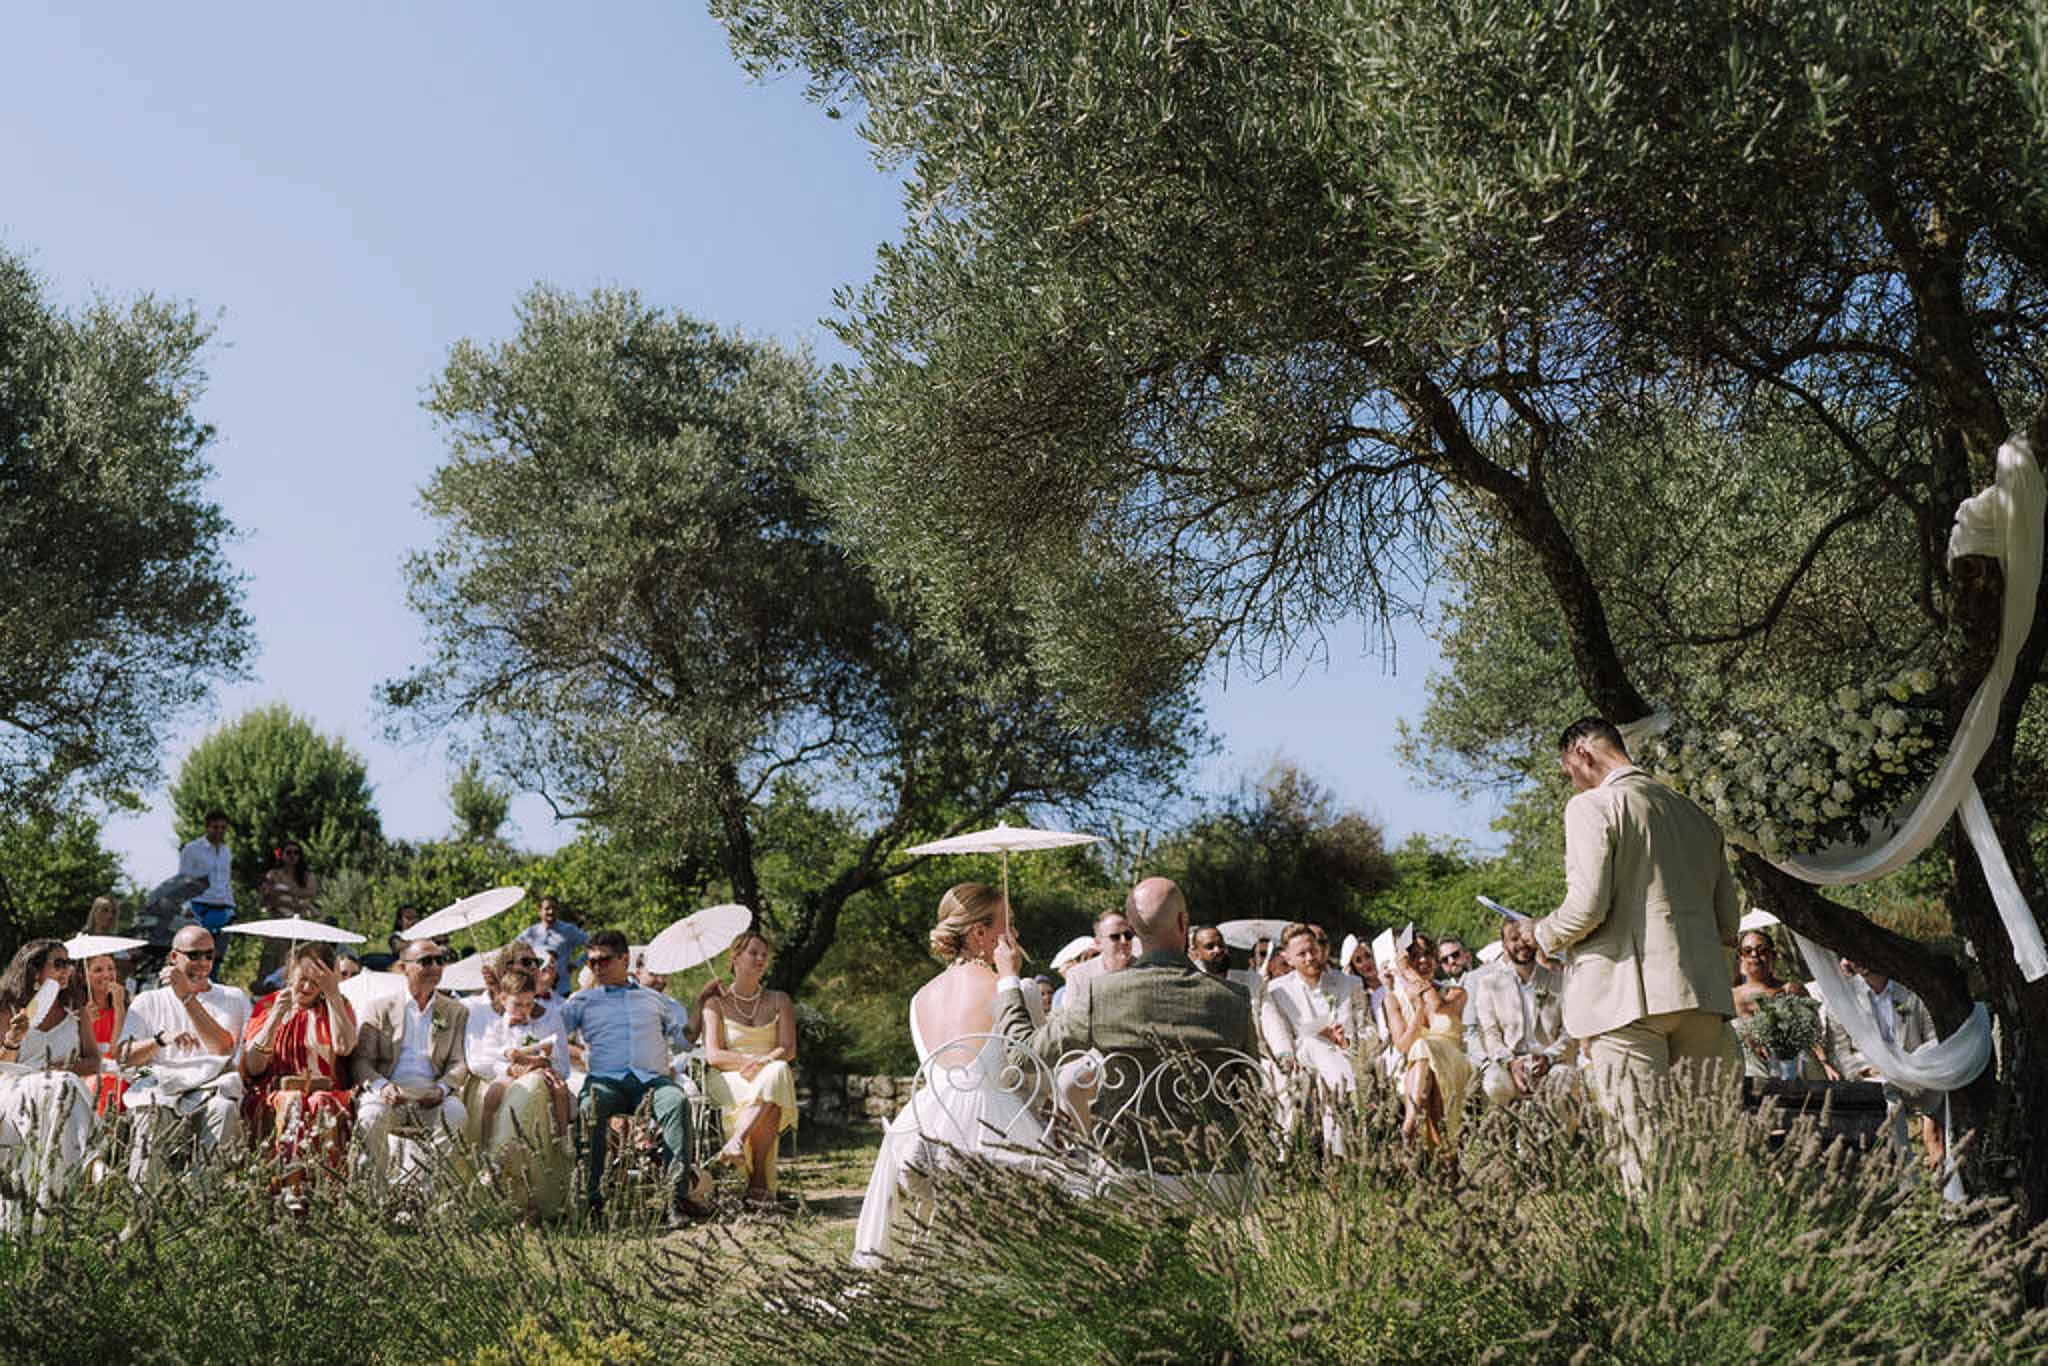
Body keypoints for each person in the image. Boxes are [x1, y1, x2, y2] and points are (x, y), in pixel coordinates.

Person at [1533, 717, 1740, 1189]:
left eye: (1568, 769)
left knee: (1642, 1147)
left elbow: (1587, 906)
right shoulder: (1699, 819)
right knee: (1702, 1149)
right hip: (1701, 997)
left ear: (1582, 754)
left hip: (1625, 1000)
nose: (1572, 780)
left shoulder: (1592, 806)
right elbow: (1729, 924)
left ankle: (1661, 1258)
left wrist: (1541, 934)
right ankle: (1714, 1252)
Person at [854, 882, 1048, 1268]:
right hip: (994, 1128)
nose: (1016, 935)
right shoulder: (1013, 989)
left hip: (925, 1128)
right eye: (1008, 926)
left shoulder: (919, 997)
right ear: (980, 933)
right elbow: (1036, 1067)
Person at [993, 877, 1255, 1162]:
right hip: (1221, 1168)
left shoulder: (1103, 994)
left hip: (1129, 1168)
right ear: (1183, 924)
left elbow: (1023, 1054)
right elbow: (1252, 1089)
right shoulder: (1234, 999)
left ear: (1133, 928)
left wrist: (1008, 977)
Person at [559, 929, 703, 1225]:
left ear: (624, 959)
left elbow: (683, 1042)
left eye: (604, 960)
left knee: (676, 1102)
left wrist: (702, 1003)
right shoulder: (581, 1001)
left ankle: (674, 1199)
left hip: (651, 1081)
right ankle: (593, 1203)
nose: (596, 967)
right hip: (606, 1081)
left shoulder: (655, 1000)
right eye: (591, 962)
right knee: (590, 1108)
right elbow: (551, 1028)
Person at [118, 926, 250, 1189]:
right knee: (150, 1104)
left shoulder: (233, 998)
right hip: (155, 1077)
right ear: (173, 958)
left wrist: (188, 998)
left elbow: (223, 1048)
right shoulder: (148, 1001)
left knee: (223, 1109)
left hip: (210, 1085)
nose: (202, 963)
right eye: (194, 955)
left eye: (209, 956)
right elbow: (123, 1057)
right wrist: (159, 1040)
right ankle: (142, 1203)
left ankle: (202, 1201)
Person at [350, 938, 473, 1199]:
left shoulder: (455, 1011)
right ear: (404, 967)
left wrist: (441, 1089)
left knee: (456, 1114)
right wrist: (382, 1087)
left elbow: (459, 1062)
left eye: (439, 960)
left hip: (431, 1094)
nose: (435, 966)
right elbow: (361, 1061)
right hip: (389, 1090)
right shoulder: (379, 1008)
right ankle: (374, 1198)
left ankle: (429, 1198)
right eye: (426, 961)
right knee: (369, 1117)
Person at [240, 942, 359, 1195]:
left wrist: (334, 996)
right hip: (275, 1092)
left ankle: (325, 1190)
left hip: (325, 1090)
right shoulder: (269, 1004)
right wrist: (274, 1019)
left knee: (321, 1102)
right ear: (290, 972)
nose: (306, 988)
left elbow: (344, 1047)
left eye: (315, 983)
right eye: (302, 979)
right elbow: (253, 1065)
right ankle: (288, 1187)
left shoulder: (338, 1005)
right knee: (291, 1101)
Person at [0, 940, 99, 1233]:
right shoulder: (7, 1005)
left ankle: (51, 1214)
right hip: (13, 1087)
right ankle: (96, 1161)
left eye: (69, 963)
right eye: (59, 963)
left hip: (58, 1091)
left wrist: (58, 1071)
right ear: (34, 969)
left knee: (61, 1085)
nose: (67, 970)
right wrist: (13, 1039)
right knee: (63, 1086)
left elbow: (93, 1061)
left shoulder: (74, 1009)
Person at [703, 931, 799, 1206]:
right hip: (728, 1076)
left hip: (769, 1070)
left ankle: (736, 1143)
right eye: (753, 953)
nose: (760, 959)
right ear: (734, 958)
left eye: (764, 955)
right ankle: (758, 1184)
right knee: (772, 1089)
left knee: (778, 1071)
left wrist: (763, 1062)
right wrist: (746, 1062)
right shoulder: (715, 1003)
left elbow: (788, 1048)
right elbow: (713, 1054)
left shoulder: (780, 999)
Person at [1823, 956, 1945, 1170]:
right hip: (1875, 1077)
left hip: (1918, 1071)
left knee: (1952, 1102)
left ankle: (1950, 1173)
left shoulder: (1912, 990)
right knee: (1888, 1108)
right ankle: (1905, 1178)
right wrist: (1865, 1071)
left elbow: (1933, 1036)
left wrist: (1913, 1064)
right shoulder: (1843, 998)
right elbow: (1841, 1052)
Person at [473, 965, 573, 1219]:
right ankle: (488, 1149)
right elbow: (496, 1051)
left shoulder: (537, 1022)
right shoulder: (498, 1025)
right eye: (519, 1004)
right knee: (493, 1095)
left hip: (537, 1071)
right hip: (511, 1071)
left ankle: (563, 1136)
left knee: (560, 1091)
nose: (525, 1010)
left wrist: (539, 1059)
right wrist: (512, 1061)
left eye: (529, 1004)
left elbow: (548, 1049)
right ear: (503, 999)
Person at [1260, 922, 1368, 1154]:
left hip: (1344, 1054)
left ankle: (1335, 1154)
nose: (1310, 957)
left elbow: (1368, 1029)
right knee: (1313, 1041)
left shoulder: (1350, 984)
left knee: (1324, 1054)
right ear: (1287, 958)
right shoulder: (1276, 991)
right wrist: (1289, 1055)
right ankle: (1348, 1095)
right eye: (1301, 954)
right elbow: (1277, 1032)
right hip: (1302, 1054)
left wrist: (1346, 1041)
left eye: (1313, 950)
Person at [1385, 929, 1474, 1152]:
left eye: (1427, 954)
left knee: (1423, 1047)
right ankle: (1430, 1143)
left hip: (1453, 1059)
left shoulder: (1454, 993)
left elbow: (1434, 1007)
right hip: (1418, 1066)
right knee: (1421, 1051)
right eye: (1414, 955)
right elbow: (1403, 1045)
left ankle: (1409, 1125)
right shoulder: (1393, 999)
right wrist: (1416, 1011)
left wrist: (1407, 971)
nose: (1422, 960)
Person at [1469, 918, 1574, 1107]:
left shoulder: (1560, 981)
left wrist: (1548, 1057)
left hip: (1551, 1061)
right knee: (1493, 1084)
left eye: (1526, 938)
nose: (1521, 944)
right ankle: (1499, 1135)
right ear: (1504, 945)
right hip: (1508, 1060)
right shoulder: (1489, 984)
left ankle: (1562, 1136)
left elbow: (1570, 1031)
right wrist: (1510, 1063)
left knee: (1563, 1082)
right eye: (1513, 939)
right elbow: (1490, 1034)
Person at [1731, 930, 1820, 1077]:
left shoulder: (1791, 989)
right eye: (1747, 951)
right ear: (1740, 957)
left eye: (1762, 950)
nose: (1755, 955)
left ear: (1773, 955)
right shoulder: (1731, 996)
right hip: (1750, 1071)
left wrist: (1824, 1062)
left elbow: (1813, 1032)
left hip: (1795, 1069)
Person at [81, 953, 129, 1114]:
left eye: (111, 969)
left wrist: (119, 1008)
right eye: (98, 970)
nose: (107, 975)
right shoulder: (78, 1008)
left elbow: (116, 1051)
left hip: (118, 1070)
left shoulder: (126, 1006)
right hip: (89, 1072)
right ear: (85, 976)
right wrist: (87, 1022)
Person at [179, 810, 237, 940]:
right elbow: (183, 879)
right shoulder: (192, 848)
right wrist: (186, 906)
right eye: (215, 827)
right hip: (198, 906)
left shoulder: (226, 852)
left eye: (223, 827)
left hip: (222, 908)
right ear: (206, 827)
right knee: (196, 946)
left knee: (217, 952)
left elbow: (226, 882)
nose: (219, 831)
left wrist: (233, 910)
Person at [516, 896, 589, 979]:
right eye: (547, 908)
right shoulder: (531, 932)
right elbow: (512, 949)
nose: (551, 911)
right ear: (539, 911)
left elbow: (592, 945)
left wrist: (577, 964)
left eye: (554, 908)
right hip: (536, 987)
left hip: (561, 987)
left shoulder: (569, 930)